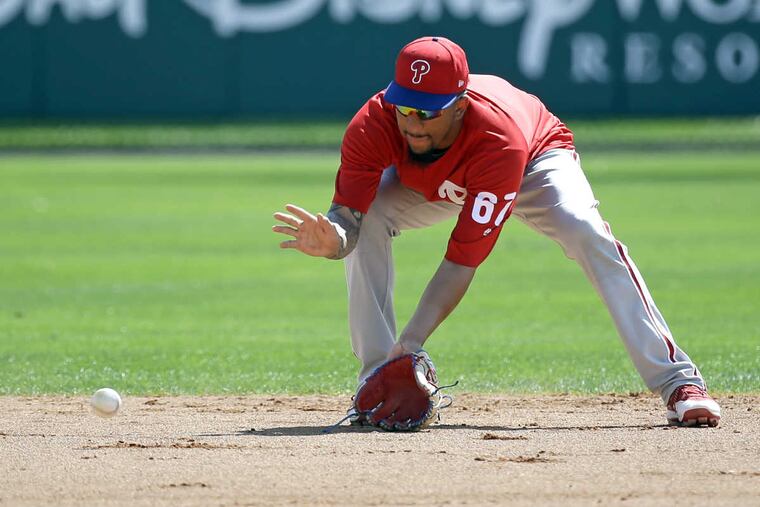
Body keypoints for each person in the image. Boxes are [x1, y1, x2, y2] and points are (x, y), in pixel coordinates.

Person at [272, 36, 720, 427]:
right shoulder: (375, 123)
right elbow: (348, 217)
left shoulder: (497, 140)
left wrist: (412, 341)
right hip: (438, 180)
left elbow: (460, 262)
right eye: (403, 105)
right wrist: (336, 239)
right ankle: (377, 379)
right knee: (369, 217)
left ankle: (678, 382)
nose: (411, 121)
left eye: (427, 111)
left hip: (532, 161)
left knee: (584, 230)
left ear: (460, 106)